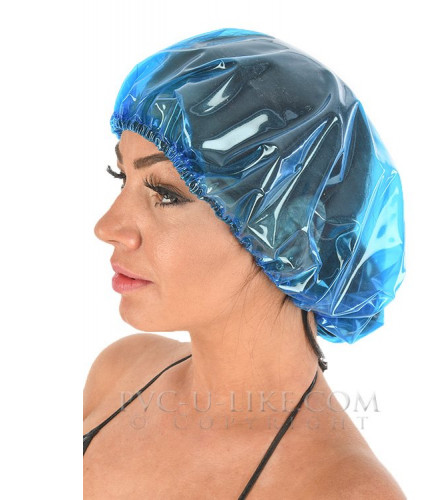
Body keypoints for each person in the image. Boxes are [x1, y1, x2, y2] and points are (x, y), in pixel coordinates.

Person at [83, 28, 406, 498]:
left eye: (166, 194)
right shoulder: (118, 373)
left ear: (288, 231)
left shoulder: (338, 489)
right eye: (122, 177)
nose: (107, 227)